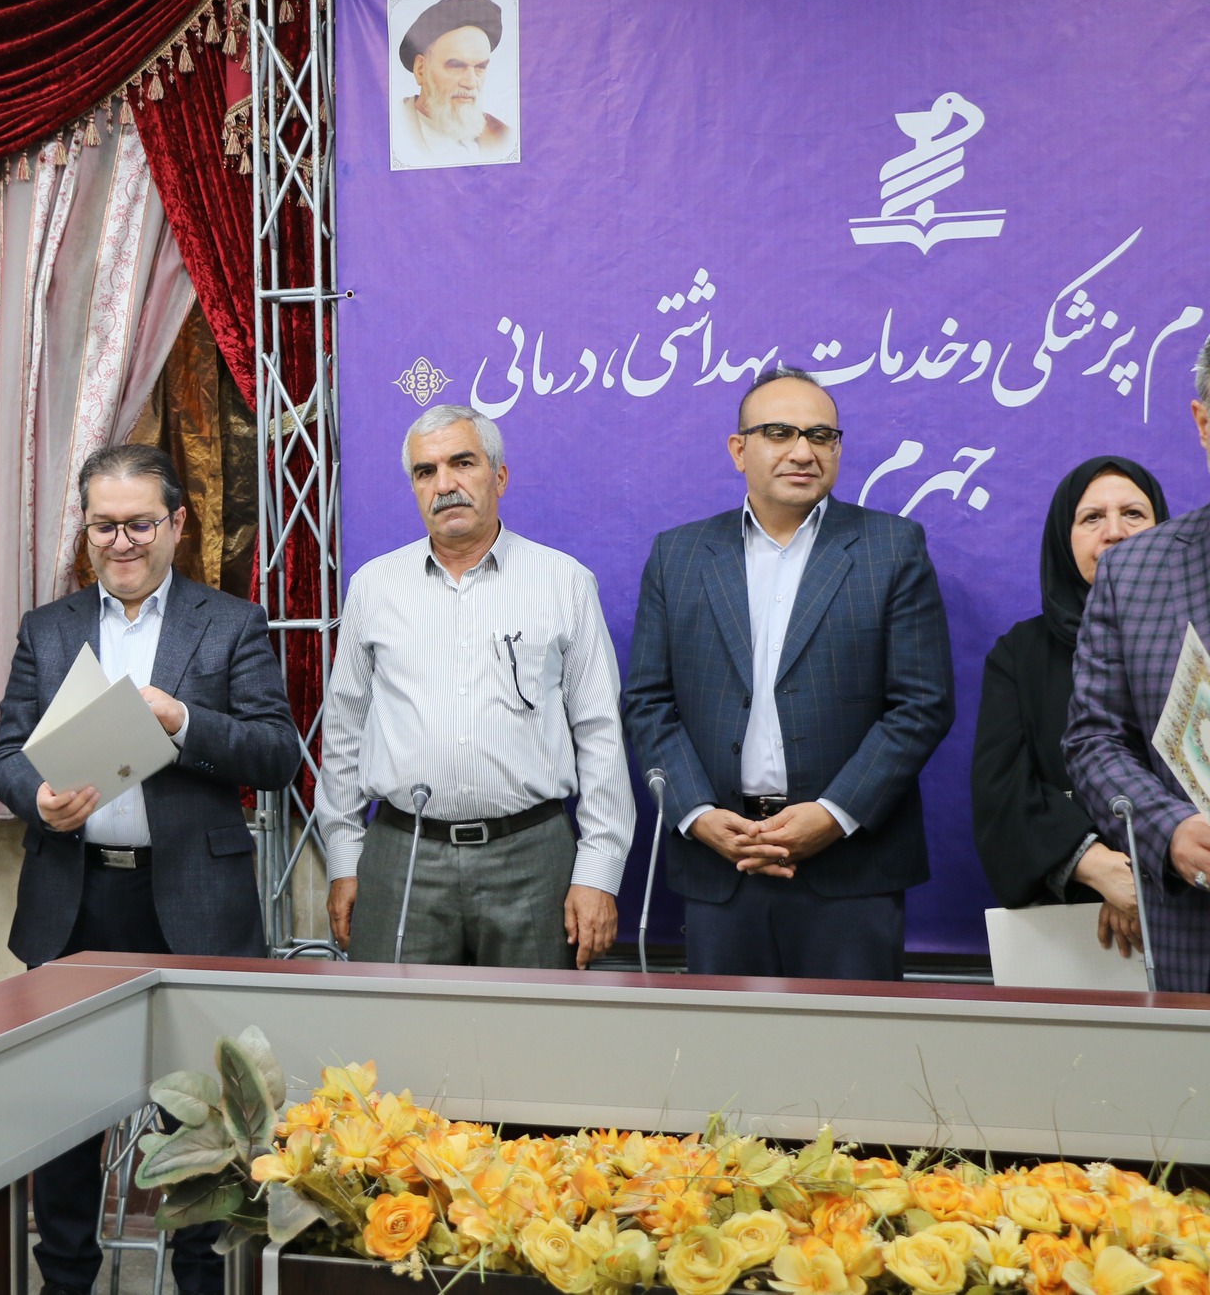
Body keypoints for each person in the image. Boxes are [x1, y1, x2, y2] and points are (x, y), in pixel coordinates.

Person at [0, 443, 300, 1295]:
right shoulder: (48, 629)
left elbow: (277, 752)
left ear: (177, 524)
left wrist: (184, 720)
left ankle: (201, 1282)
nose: (121, 542)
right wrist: (36, 795)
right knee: (63, 1123)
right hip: (75, 903)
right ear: (85, 530)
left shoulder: (230, 623)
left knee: (200, 1130)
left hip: (194, 908)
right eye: (103, 526)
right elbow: (4, 753)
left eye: (139, 524)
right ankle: (65, 1281)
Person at [622, 366, 955, 981]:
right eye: (779, 433)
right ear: (738, 449)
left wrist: (833, 814)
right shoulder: (680, 555)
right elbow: (648, 701)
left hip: (851, 868)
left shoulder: (891, 548)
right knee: (727, 1044)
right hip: (721, 862)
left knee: (853, 1042)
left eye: (821, 436)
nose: (803, 451)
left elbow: (921, 703)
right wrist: (696, 814)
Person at [317, 404, 634, 969]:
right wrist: (344, 859)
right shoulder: (374, 587)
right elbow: (343, 732)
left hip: (531, 857)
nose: (445, 485)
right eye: (426, 471)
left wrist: (598, 872)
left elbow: (600, 736)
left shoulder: (564, 582)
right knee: (395, 1023)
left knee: (535, 1023)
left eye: (462, 463)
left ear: (499, 476)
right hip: (402, 858)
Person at [972, 457, 1167, 956]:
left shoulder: (1198, 634)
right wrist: (1098, 866)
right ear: (1065, 538)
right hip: (1077, 932)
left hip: (1191, 894)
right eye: (1092, 517)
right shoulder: (1020, 654)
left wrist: (1146, 873)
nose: (1115, 532)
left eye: (1134, 514)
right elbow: (1002, 793)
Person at [1066, 334, 1210, 992]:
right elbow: (1094, 740)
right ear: (1203, 423)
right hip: (1194, 935)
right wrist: (1167, 830)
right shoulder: (1135, 571)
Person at [391, 0, 517, 168]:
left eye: (480, 67)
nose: (471, 82)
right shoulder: (392, 130)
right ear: (421, 69)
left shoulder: (503, 136)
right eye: (456, 66)